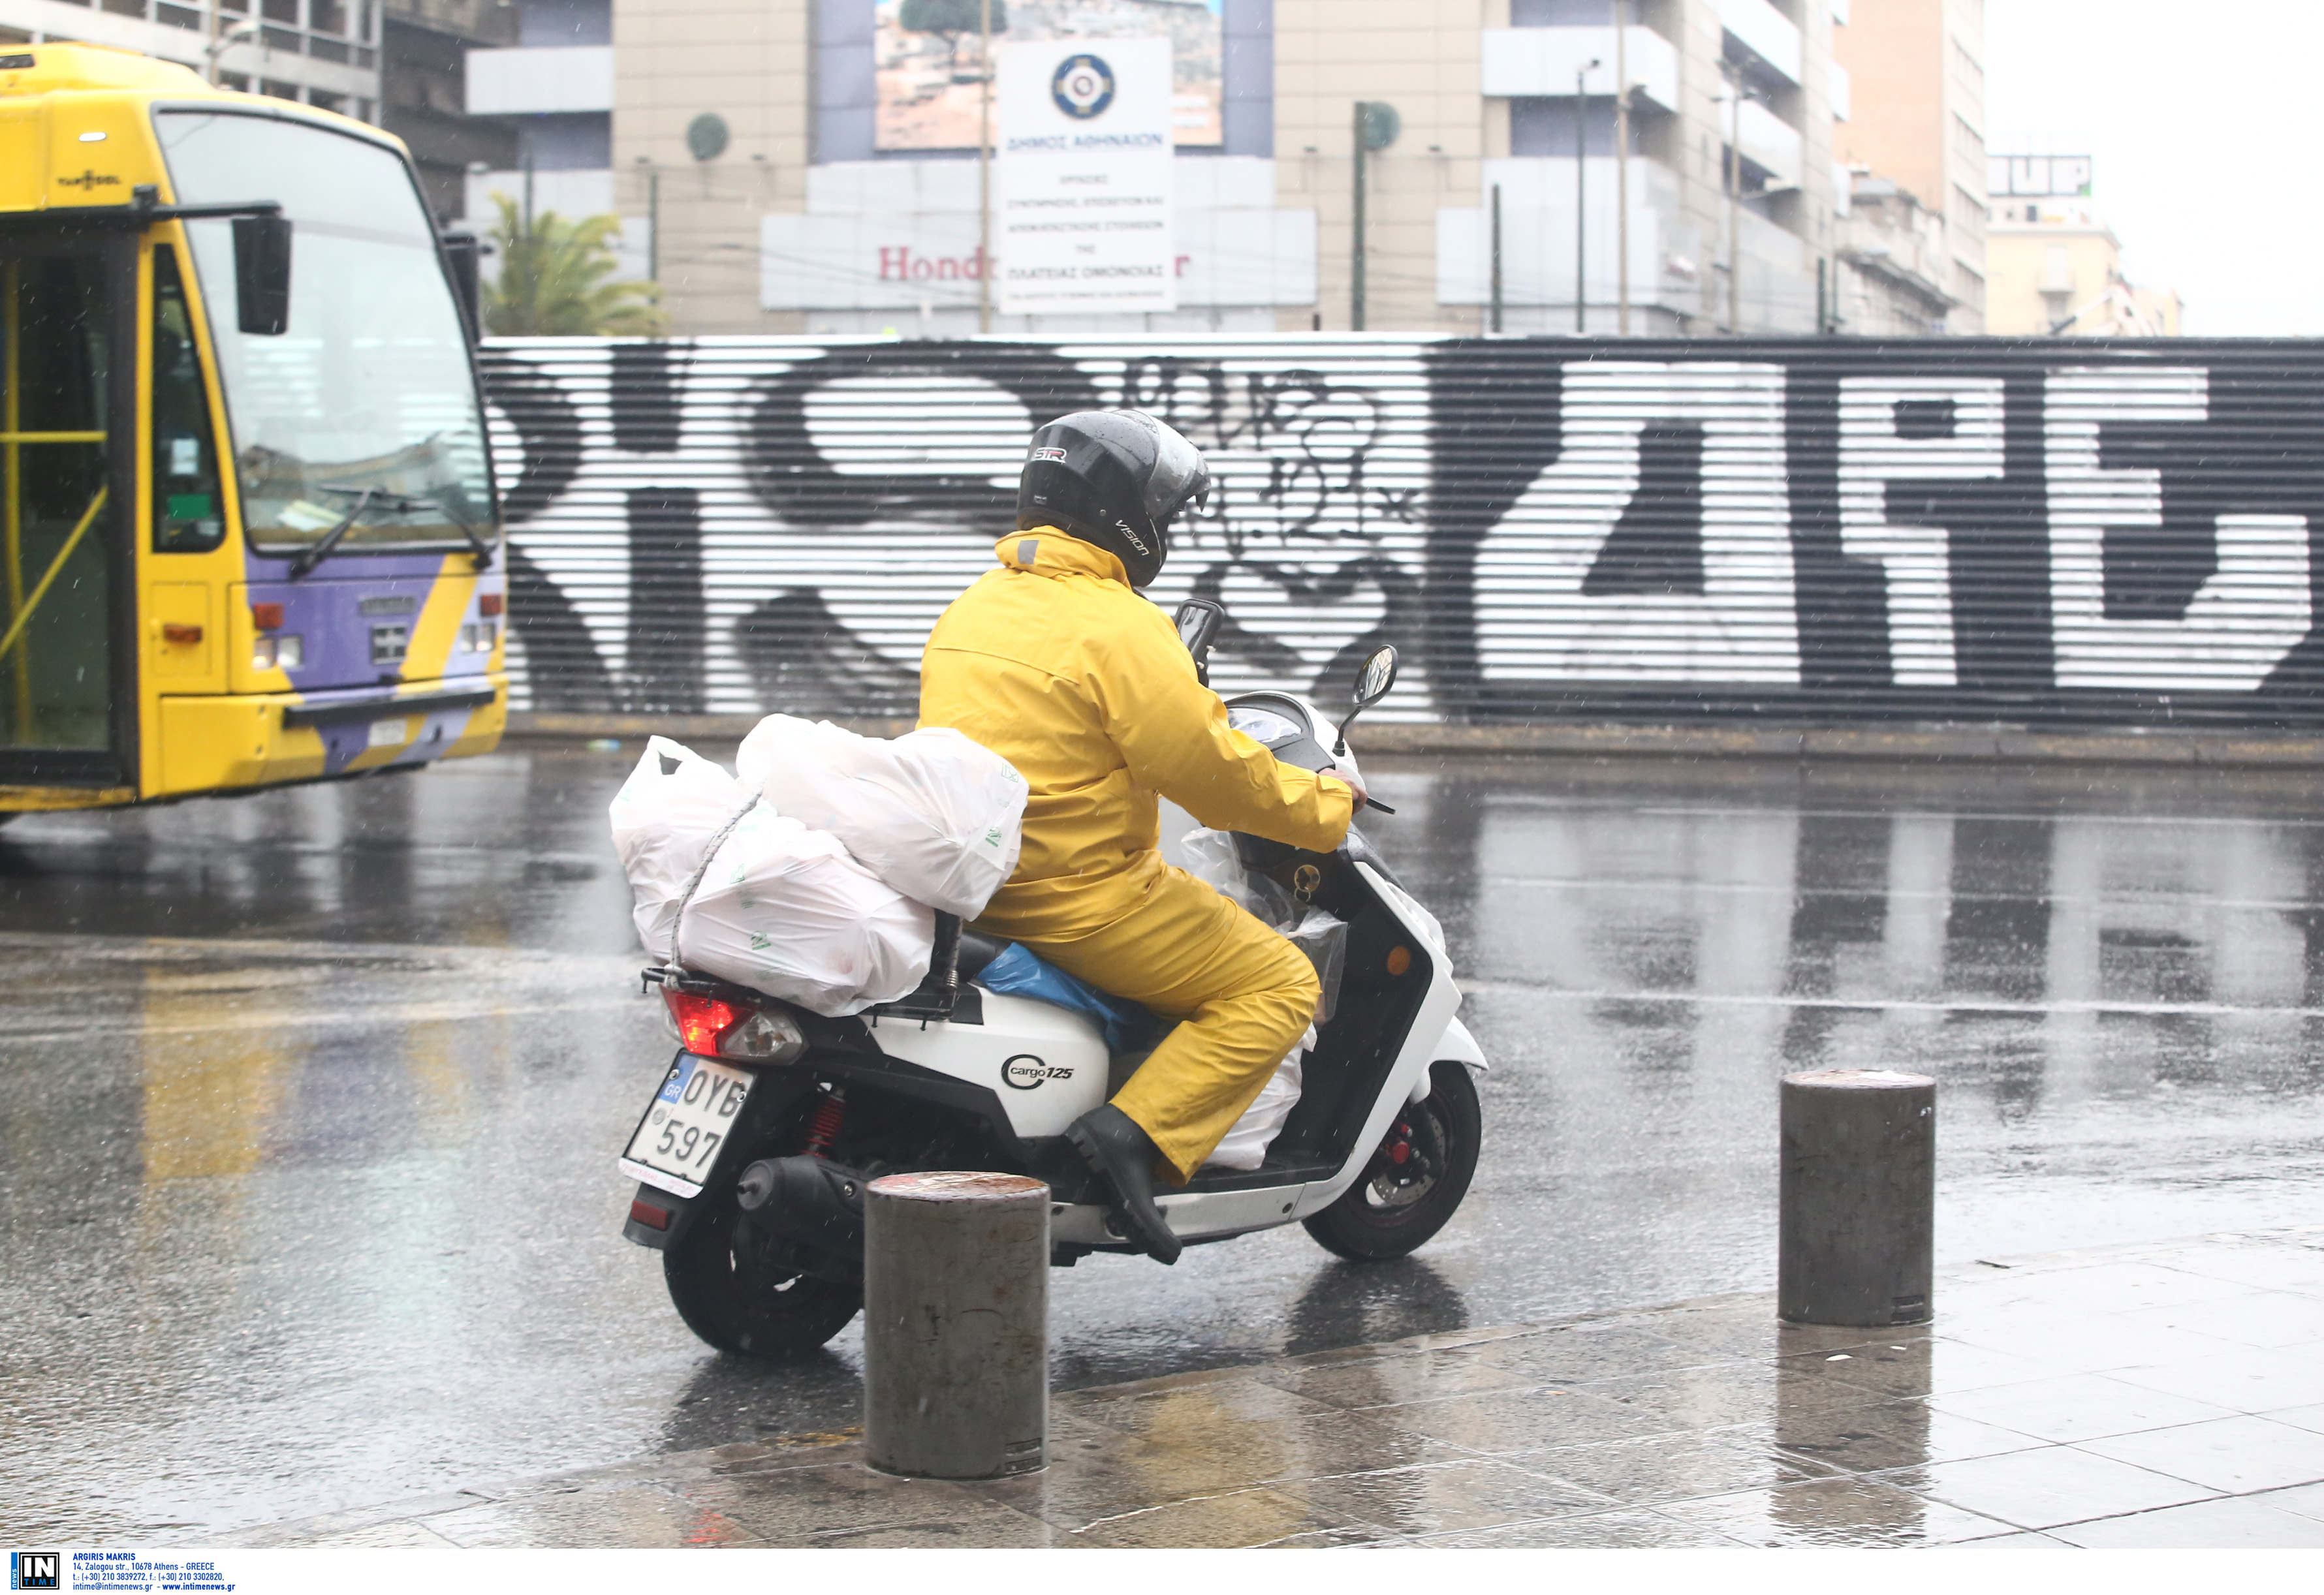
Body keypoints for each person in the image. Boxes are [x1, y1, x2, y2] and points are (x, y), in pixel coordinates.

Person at [917, 410, 1367, 1263]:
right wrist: (1324, 805)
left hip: (976, 888)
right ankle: (1130, 1136)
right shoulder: (1119, 626)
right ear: (1125, 514)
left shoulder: (976, 606)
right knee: (1276, 979)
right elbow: (1211, 775)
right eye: (1160, 511)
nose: (1164, 529)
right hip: (1081, 902)